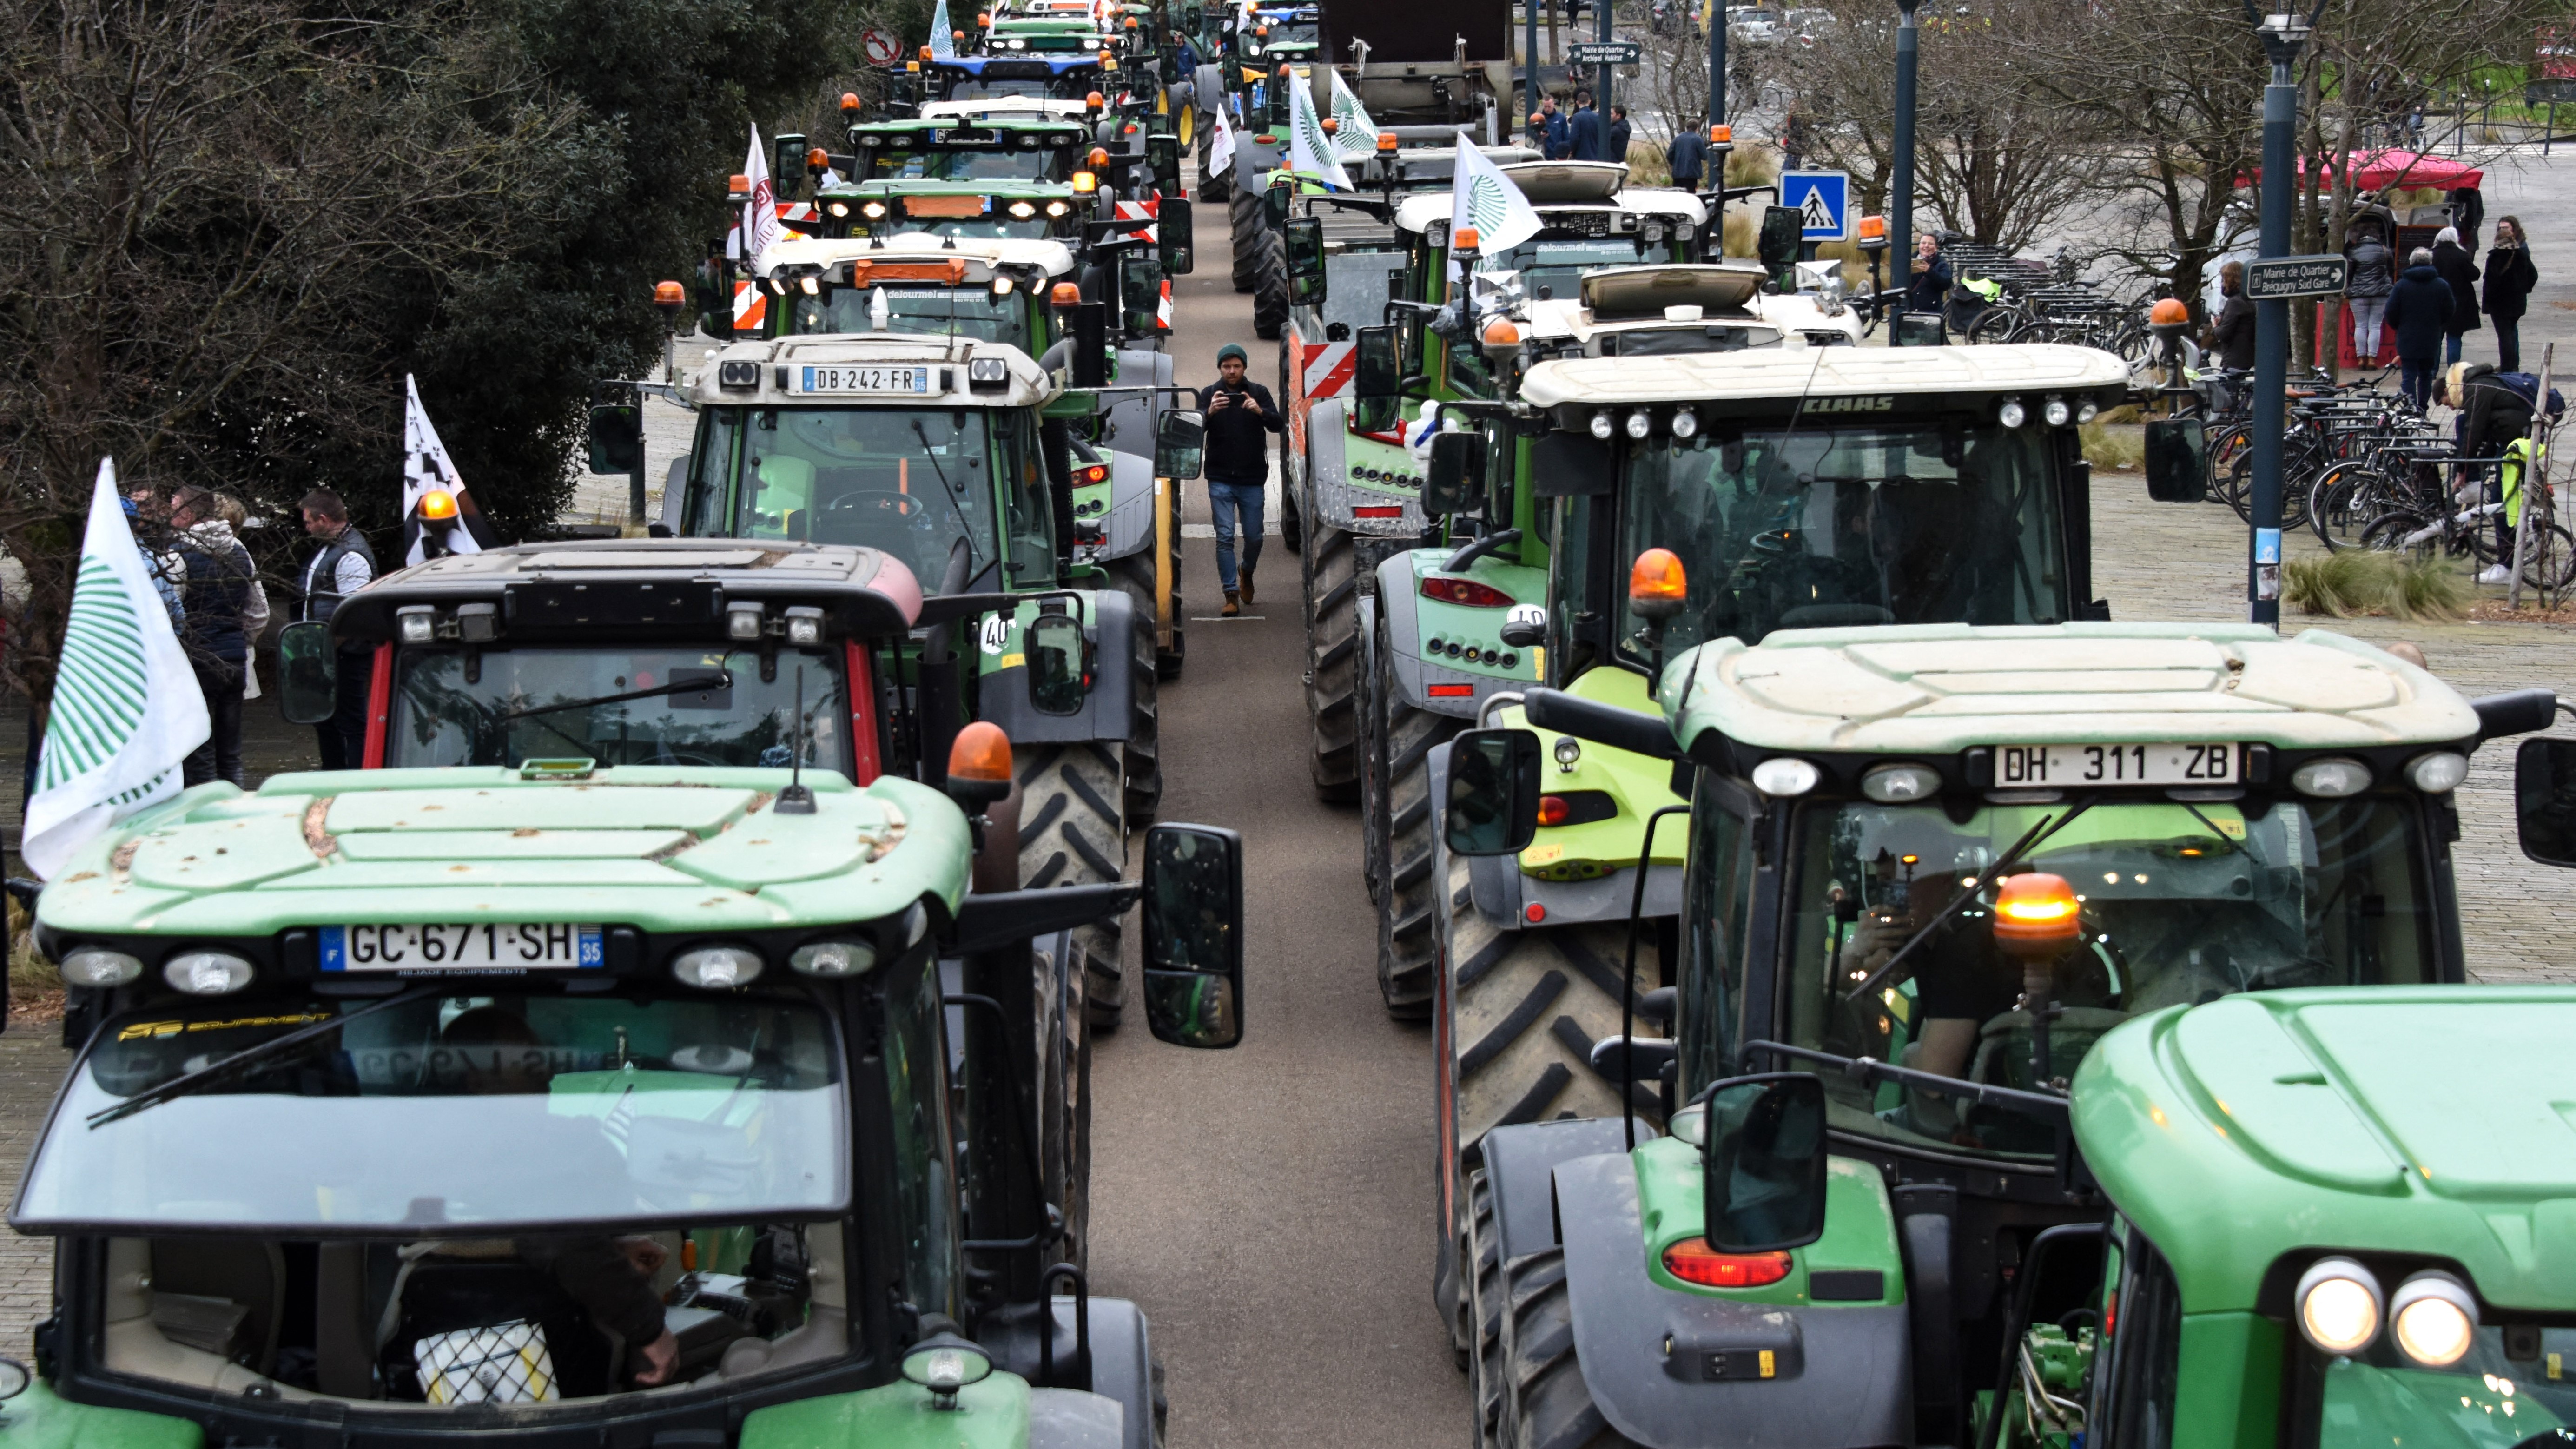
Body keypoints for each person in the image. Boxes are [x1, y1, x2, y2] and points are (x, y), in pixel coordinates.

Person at [169, 486, 255, 787]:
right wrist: (241, 639)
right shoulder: (242, 551)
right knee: (231, 754)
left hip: (198, 662)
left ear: (188, 514)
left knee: (200, 754)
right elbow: (260, 612)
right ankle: (238, 812)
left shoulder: (177, 556)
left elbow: (173, 613)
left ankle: (207, 821)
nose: (170, 517)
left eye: (175, 509)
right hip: (234, 661)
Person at [1196, 344, 1280, 616]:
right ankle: (1230, 594)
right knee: (1225, 536)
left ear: (1244, 367)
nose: (1232, 371)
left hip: (1252, 477)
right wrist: (1208, 413)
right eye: (1226, 367)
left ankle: (1247, 570)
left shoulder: (1259, 392)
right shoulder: (1210, 394)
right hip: (1219, 476)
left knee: (1255, 536)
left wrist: (1260, 411)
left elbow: (1278, 424)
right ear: (1219, 368)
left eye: (1237, 366)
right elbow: (1193, 429)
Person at [298, 489, 377, 768]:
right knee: (326, 722)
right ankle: (332, 775)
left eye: (308, 522)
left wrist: (327, 648)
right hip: (331, 652)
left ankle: (354, 781)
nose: (306, 528)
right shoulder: (332, 548)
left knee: (351, 723)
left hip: (347, 656)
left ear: (323, 519)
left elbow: (352, 615)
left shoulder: (351, 555)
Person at [2452, 362, 2538, 582]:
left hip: (2515, 446)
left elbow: (2475, 429)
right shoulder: (2490, 383)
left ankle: (2506, 567)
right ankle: (2508, 562)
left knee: (2503, 504)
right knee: (2506, 501)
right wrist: (2476, 466)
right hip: (2517, 441)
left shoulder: (2477, 388)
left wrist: (2463, 469)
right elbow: (2491, 430)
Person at [2384, 246, 2454, 410]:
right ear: (2430, 262)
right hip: (2431, 337)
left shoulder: (2401, 286)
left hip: (2407, 337)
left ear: (2411, 262)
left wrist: (2400, 327)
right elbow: (2450, 310)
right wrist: (2438, 323)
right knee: (2426, 375)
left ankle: (2410, 409)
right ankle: (2422, 409)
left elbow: (2390, 312)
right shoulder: (2441, 285)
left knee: (2408, 375)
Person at [2484, 216, 2537, 374]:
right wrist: (2523, 289)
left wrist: (2488, 303)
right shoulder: (2520, 255)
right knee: (2511, 331)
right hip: (2517, 303)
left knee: (2504, 336)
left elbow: (2490, 283)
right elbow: (2533, 275)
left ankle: (2508, 367)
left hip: (2499, 305)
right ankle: (2513, 364)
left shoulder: (2495, 257)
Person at [2344, 219, 2396, 366]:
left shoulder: (2353, 252)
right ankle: (2372, 358)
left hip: (2358, 295)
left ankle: (2361, 358)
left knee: (2360, 326)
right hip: (2381, 294)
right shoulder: (2385, 251)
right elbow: (2392, 271)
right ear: (2377, 237)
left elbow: (2349, 275)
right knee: (2375, 326)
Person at [2431, 225, 2481, 367]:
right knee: (2454, 337)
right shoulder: (2461, 255)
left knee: (2435, 338)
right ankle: (2453, 370)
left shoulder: (2431, 255)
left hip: (2436, 302)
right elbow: (2474, 275)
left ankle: (2432, 370)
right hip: (2458, 302)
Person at [2206, 261, 2256, 372]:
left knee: (2226, 388)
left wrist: (2215, 327)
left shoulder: (2235, 302)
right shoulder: (2248, 300)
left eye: (2224, 280)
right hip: (2247, 357)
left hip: (2234, 360)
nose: (2223, 284)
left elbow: (2223, 333)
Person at [1903, 234, 1950, 319]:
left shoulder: (1941, 264)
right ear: (1919, 246)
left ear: (1936, 247)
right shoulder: (1908, 261)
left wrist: (1930, 271)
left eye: (1930, 244)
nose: (1926, 246)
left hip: (1931, 313)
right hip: (1909, 311)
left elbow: (1946, 284)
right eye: (1923, 243)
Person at [1665, 119, 1707, 192]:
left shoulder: (1677, 139)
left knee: (1678, 196)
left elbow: (1669, 154)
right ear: (1697, 129)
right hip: (1692, 174)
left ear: (1687, 128)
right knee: (1690, 197)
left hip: (1677, 174)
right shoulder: (1698, 139)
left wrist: (1674, 164)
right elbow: (1705, 156)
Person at [1530, 95, 1569, 160]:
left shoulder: (1561, 118)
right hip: (1544, 153)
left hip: (1558, 154)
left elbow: (1566, 137)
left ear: (1553, 105)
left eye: (1549, 107)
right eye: (1545, 107)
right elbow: (1532, 137)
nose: (1547, 109)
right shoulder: (1538, 118)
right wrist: (1540, 135)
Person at [1568, 92, 1602, 162]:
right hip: (1596, 156)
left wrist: (1571, 150)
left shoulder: (1577, 117)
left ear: (1577, 102)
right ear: (1589, 102)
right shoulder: (1597, 117)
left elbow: (1574, 138)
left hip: (1581, 156)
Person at [1605, 105, 1632, 169]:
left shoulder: (1616, 130)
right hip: (1618, 161)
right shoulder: (1623, 127)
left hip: (1612, 162)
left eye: (1611, 114)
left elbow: (1601, 137)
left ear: (1618, 116)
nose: (1609, 116)